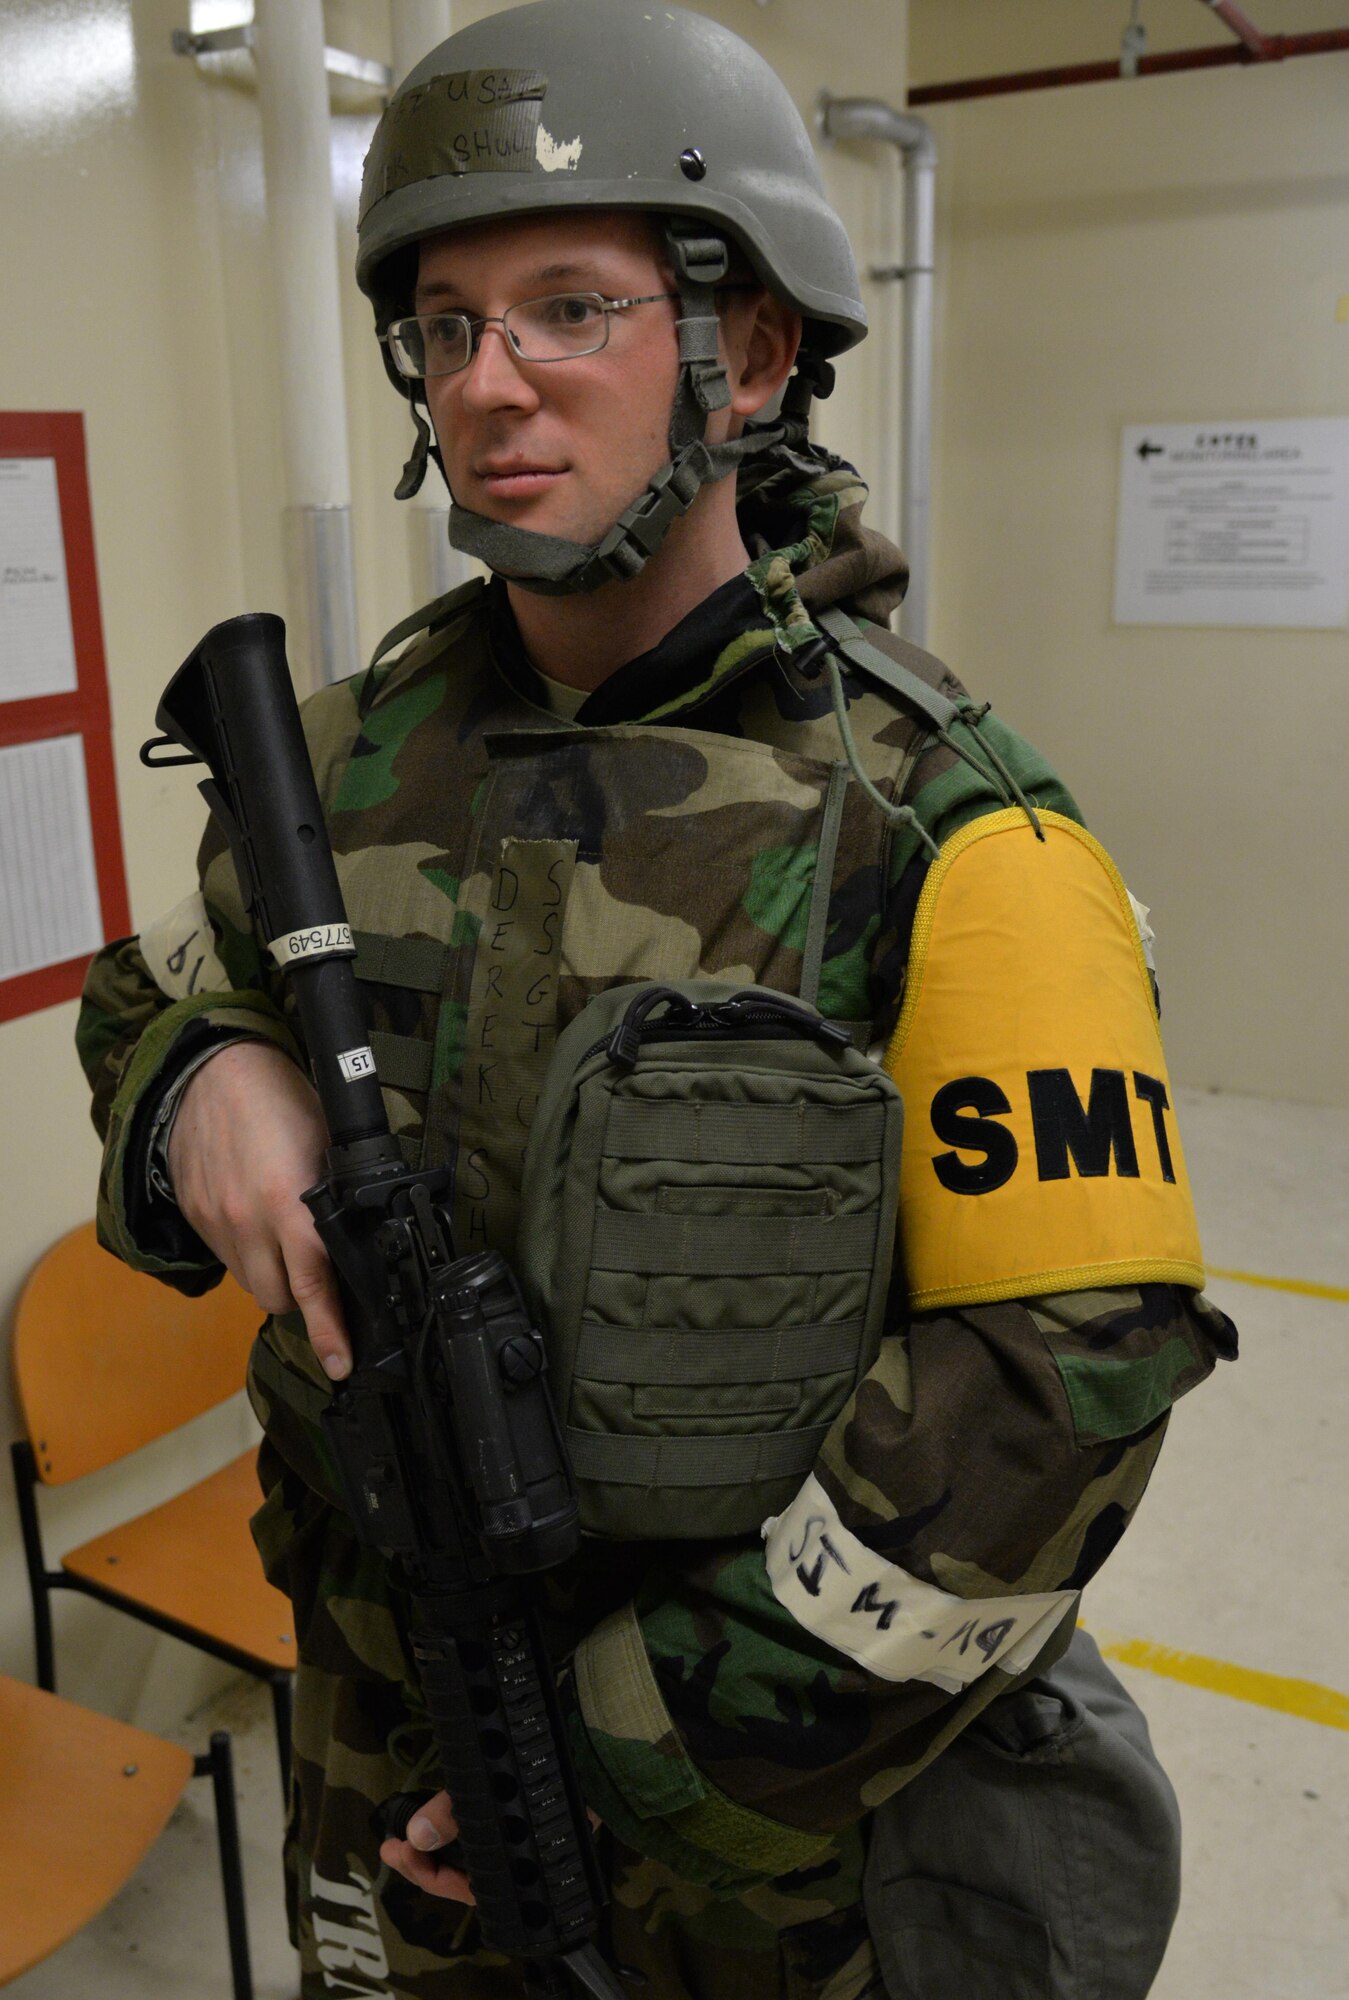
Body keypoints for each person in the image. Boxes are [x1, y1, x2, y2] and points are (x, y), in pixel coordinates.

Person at [78, 5, 1238, 1996]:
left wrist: (633, 1752)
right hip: (373, 1746)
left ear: (750, 350)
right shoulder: (335, 766)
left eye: (567, 311)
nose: (494, 381)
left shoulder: (952, 824)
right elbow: (151, 996)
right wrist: (197, 1089)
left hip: (749, 1860)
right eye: (446, 327)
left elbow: (1067, 1385)